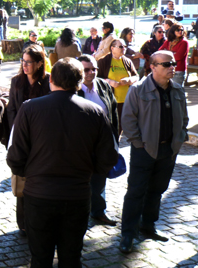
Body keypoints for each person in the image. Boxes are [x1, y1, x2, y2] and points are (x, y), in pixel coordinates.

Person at [7, 58, 118, 268]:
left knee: (40, 258)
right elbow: (109, 156)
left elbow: (15, 156)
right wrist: (88, 170)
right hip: (76, 195)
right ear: (78, 82)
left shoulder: (30, 109)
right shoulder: (95, 111)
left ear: (51, 81)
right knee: (71, 257)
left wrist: (33, 172)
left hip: (39, 196)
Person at [119, 50, 189, 254]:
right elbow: (128, 120)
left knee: (157, 190)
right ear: (152, 67)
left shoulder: (177, 90)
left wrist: (179, 138)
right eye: (166, 64)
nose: (172, 67)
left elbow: (184, 118)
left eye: (173, 63)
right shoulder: (138, 89)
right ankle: (128, 234)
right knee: (136, 192)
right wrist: (139, 144)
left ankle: (148, 226)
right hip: (144, 150)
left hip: (169, 150)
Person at [7, 44, 51, 236]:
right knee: (22, 180)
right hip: (21, 138)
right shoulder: (17, 81)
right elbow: (11, 109)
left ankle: (40, 219)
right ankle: (23, 223)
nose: (24, 65)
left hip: (42, 139)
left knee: (41, 180)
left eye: (29, 62)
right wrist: (16, 131)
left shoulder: (49, 82)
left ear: (40, 63)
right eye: (22, 61)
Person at [77, 55, 120, 226]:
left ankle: (98, 211)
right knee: (81, 181)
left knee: (100, 179)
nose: (91, 73)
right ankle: (80, 215)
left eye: (94, 69)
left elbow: (113, 110)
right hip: (81, 145)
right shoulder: (73, 88)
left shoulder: (102, 85)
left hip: (102, 144)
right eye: (86, 69)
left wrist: (115, 137)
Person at [97, 38, 138, 136]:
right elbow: (96, 79)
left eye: (125, 46)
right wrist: (109, 81)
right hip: (109, 101)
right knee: (108, 126)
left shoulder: (127, 61)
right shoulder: (103, 61)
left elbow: (136, 76)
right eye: (121, 46)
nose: (124, 48)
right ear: (112, 48)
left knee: (120, 127)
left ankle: (116, 146)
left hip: (125, 101)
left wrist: (129, 80)